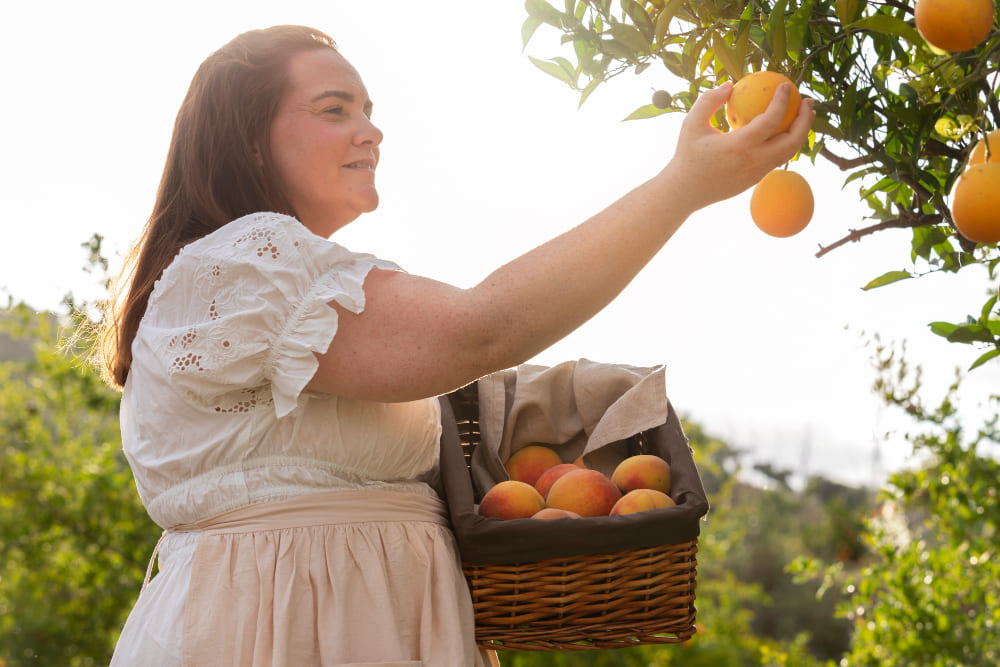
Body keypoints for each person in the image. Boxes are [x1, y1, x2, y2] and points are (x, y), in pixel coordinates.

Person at [100, 24, 814, 666]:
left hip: (374, 624)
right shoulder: (245, 267)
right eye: (334, 108)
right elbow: (484, 328)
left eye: (370, 109)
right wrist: (682, 186)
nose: (370, 130)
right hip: (282, 632)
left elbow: (471, 364)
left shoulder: (291, 279)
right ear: (249, 136)